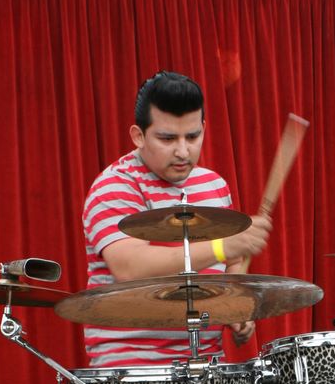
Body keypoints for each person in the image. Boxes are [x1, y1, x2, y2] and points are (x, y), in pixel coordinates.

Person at [82, 70, 272, 367]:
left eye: (193, 136)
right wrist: (222, 246)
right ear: (138, 136)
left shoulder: (213, 185)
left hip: (207, 364)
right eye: (167, 138)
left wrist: (237, 307)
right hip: (132, 371)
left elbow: (231, 265)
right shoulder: (114, 186)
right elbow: (130, 268)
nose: (183, 151)